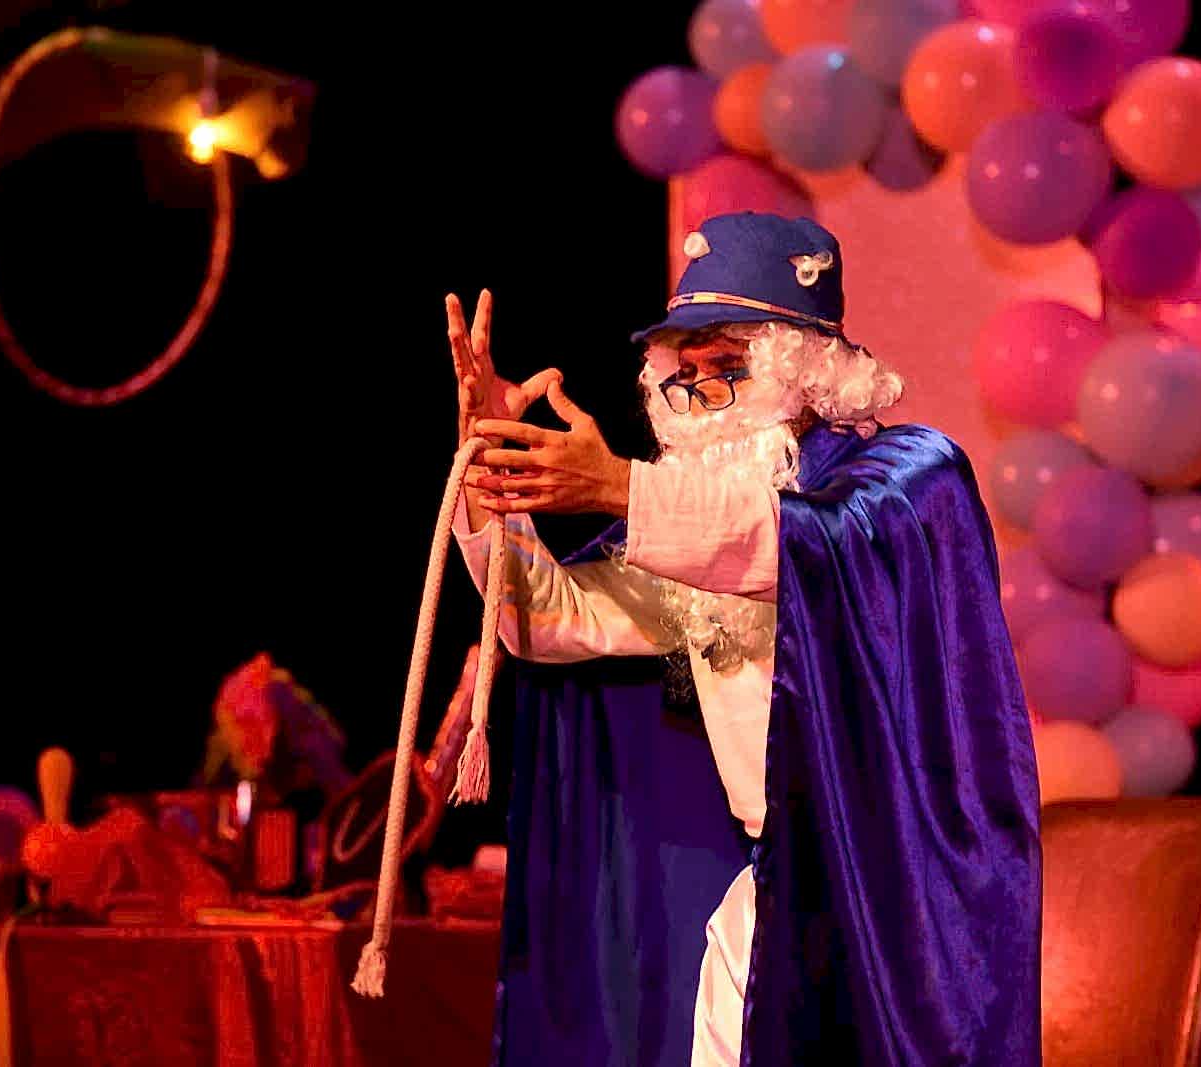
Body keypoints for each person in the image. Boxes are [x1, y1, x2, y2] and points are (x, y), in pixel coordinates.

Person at [446, 212, 1041, 1066]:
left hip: (900, 901)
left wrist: (620, 487)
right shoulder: (690, 526)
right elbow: (545, 620)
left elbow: (799, 543)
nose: (697, 403)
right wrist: (483, 462)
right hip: (775, 893)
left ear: (801, 369)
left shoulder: (910, 480)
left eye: (725, 370)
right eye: (681, 377)